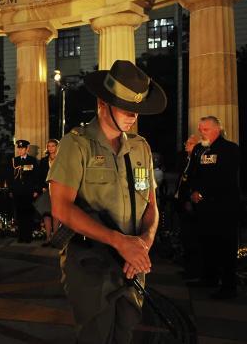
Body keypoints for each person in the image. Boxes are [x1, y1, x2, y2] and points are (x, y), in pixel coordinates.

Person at [48, 60, 166, 344]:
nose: (132, 116)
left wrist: (143, 244)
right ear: (103, 102)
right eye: (126, 108)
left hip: (131, 263)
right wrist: (118, 241)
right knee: (95, 335)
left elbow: (150, 204)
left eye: (136, 109)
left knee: (124, 332)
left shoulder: (140, 147)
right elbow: (61, 207)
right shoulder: (76, 144)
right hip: (91, 264)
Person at [187, 116, 241, 299]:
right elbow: (193, 173)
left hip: (224, 208)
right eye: (200, 128)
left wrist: (203, 192)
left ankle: (228, 287)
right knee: (207, 243)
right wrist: (193, 191)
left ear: (217, 130)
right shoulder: (199, 150)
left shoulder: (230, 149)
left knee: (226, 246)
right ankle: (208, 277)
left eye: (206, 129)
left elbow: (225, 178)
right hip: (203, 209)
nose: (201, 132)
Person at [174, 134, 201, 280]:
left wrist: (189, 201)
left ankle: (194, 270)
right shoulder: (186, 161)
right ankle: (188, 268)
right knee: (186, 238)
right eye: (187, 141)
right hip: (181, 204)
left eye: (190, 142)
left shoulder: (197, 162)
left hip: (191, 207)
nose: (186, 144)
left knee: (192, 239)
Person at [9, 139, 39, 243]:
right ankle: (21, 236)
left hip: (28, 191)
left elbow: (36, 176)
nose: (20, 150)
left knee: (28, 214)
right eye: (19, 148)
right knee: (19, 214)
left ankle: (28, 236)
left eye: (22, 148)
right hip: (18, 191)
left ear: (27, 149)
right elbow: (11, 177)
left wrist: (36, 190)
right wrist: (11, 190)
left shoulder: (32, 160)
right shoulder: (15, 160)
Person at [37, 139, 59, 246]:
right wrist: (42, 187)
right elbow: (40, 176)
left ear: (57, 147)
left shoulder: (61, 160)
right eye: (49, 146)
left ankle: (55, 238)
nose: (51, 148)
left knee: (56, 214)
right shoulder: (43, 161)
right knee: (46, 214)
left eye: (53, 146)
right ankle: (48, 238)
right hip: (46, 190)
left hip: (58, 190)